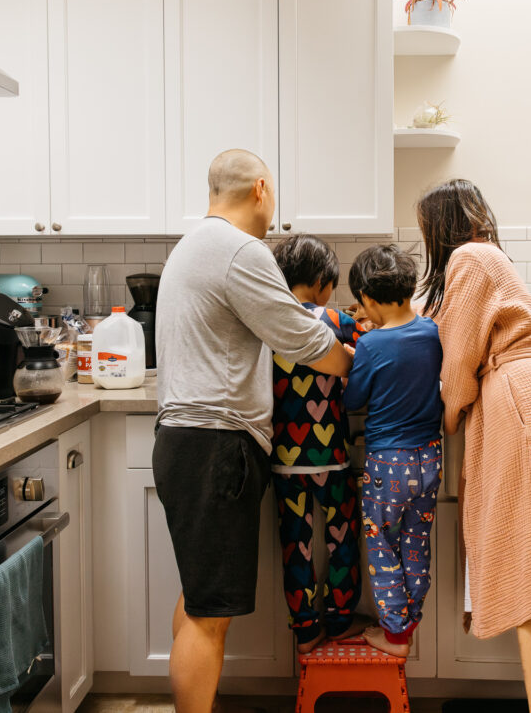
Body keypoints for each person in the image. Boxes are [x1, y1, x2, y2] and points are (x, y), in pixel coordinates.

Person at [152, 149, 353, 713]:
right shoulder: (241, 251)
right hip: (216, 447)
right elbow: (304, 340)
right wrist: (359, 362)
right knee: (209, 617)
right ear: (261, 188)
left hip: (185, 441)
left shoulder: (193, 245)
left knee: (199, 601)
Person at [416, 179, 531, 713]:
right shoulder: (489, 257)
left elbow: (457, 365)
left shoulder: (469, 259)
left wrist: (449, 413)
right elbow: (454, 328)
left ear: (440, 226)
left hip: (515, 400)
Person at [342, 244, 444, 657]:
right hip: (430, 458)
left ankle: (395, 635)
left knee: (383, 545)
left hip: (388, 464)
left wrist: (355, 359)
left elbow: (353, 402)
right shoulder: (433, 333)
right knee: (416, 543)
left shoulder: (371, 344)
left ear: (365, 298)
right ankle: (411, 622)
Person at [269, 234, 367, 653]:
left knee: (297, 546)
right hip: (331, 455)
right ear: (323, 281)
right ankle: (341, 618)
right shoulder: (333, 319)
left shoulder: (268, 319)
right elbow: (373, 349)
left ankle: (306, 631)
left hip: (285, 457)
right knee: (340, 540)